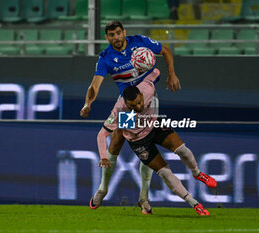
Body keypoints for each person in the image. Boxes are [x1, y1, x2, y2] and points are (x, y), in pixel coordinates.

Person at [80, 21, 181, 214]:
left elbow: (165, 50)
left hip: (148, 102)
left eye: (118, 33)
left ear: (124, 32)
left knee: (146, 143)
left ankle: (144, 198)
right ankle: (103, 189)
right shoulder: (106, 58)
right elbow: (95, 85)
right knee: (116, 141)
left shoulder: (140, 42)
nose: (116, 37)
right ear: (106, 38)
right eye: (112, 34)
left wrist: (172, 74)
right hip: (128, 105)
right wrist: (88, 103)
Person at [94, 68, 217, 216]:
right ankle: (194, 203)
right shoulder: (120, 110)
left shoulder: (147, 87)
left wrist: (171, 73)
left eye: (139, 102)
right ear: (126, 103)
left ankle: (197, 173)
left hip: (154, 125)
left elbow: (156, 70)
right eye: (133, 106)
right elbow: (102, 134)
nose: (138, 107)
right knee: (164, 171)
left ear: (141, 95)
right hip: (138, 139)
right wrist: (103, 157)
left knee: (182, 149)